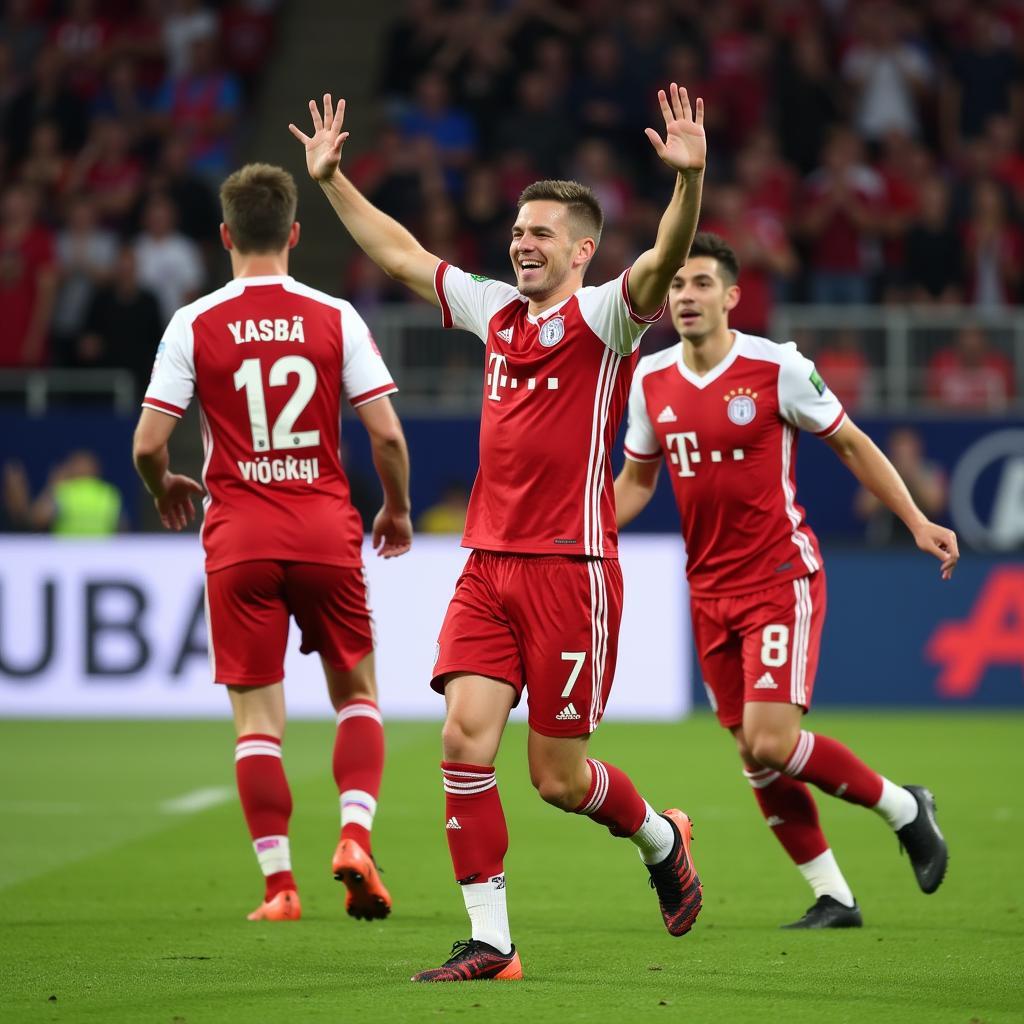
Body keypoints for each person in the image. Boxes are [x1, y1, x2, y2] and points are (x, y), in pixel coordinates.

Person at [289, 84, 706, 981]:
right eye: (519, 229)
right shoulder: (495, 312)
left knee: (558, 779)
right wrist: (330, 181)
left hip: (571, 571)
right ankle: (493, 942)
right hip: (488, 565)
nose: (523, 241)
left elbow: (667, 257)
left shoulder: (603, 317)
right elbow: (402, 255)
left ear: (583, 250)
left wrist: (690, 181)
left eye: (543, 232)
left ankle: (660, 835)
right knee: (461, 742)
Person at [615, 232, 957, 929]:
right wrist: (583, 531)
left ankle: (902, 806)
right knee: (752, 750)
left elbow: (853, 444)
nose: (685, 295)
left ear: (732, 296)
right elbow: (637, 481)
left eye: (702, 283)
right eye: (677, 285)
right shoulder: (650, 378)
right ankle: (833, 894)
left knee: (772, 740)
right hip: (707, 591)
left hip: (779, 575)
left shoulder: (778, 367)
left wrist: (917, 520)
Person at [132, 162, 412, 924]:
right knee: (357, 694)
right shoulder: (335, 316)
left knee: (258, 722)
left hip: (240, 537)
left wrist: (166, 489)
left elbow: (149, 444)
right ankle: (355, 836)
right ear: (293, 232)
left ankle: (279, 887)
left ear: (225, 236)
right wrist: (396, 510)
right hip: (324, 529)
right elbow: (384, 431)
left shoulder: (193, 322)